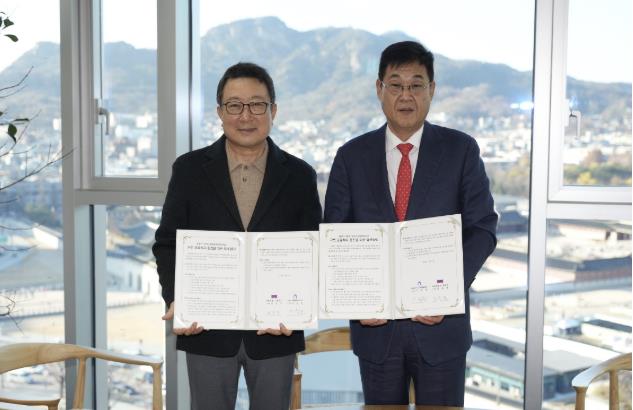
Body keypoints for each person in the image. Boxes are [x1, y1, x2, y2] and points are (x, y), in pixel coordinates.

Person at [323, 41, 498, 406]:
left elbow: (482, 228)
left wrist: (448, 290)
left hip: (442, 329)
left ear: (431, 89)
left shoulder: (461, 150)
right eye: (396, 85)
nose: (406, 95)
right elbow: (335, 238)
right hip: (376, 332)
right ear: (379, 89)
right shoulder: (351, 156)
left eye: (416, 85)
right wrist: (357, 300)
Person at [153, 62, 322, 410]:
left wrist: (298, 310)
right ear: (220, 112)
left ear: (273, 110)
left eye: (257, 104)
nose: (246, 116)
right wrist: (176, 298)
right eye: (234, 105)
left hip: (277, 330)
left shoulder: (300, 175)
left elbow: (313, 250)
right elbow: (167, 243)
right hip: (205, 328)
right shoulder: (188, 170)